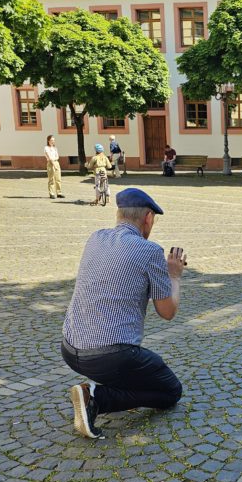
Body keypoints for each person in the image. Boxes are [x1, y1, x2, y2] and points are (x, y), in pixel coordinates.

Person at [62, 188, 187, 439]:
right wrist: (173, 274)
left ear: (119, 215)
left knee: (133, 373)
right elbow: (167, 312)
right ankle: (97, 398)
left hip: (69, 348)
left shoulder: (95, 237)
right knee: (170, 392)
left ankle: (102, 390)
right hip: (110, 356)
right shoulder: (149, 251)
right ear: (148, 218)